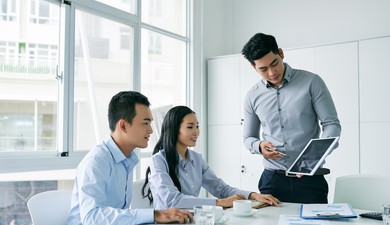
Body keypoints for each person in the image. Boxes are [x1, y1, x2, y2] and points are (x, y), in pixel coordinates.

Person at [67, 91, 192, 225]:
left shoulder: (127, 159)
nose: (150, 130)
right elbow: (91, 218)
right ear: (123, 126)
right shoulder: (96, 161)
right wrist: (154, 215)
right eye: (145, 123)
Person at [241, 33, 341, 204]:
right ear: (253, 67)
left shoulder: (312, 82)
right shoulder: (252, 96)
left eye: (274, 64)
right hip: (271, 182)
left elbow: (331, 125)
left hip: (310, 181)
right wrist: (259, 146)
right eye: (263, 69)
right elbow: (248, 138)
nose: (272, 73)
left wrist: (312, 160)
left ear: (281, 53)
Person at [142, 105, 280, 210]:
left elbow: (221, 189)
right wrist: (219, 203)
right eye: (190, 127)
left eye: (197, 126)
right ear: (174, 129)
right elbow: (173, 201)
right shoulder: (158, 160)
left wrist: (253, 196)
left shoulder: (196, 159)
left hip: (191, 221)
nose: (196, 132)